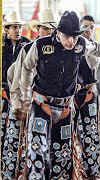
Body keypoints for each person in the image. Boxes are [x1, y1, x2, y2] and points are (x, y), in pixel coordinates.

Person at [13, 11, 100, 179]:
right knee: (37, 153)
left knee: (63, 156)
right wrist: (24, 98)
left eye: (75, 36)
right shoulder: (40, 46)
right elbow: (26, 68)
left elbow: (99, 49)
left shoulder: (81, 44)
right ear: (58, 32)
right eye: (67, 36)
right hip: (41, 106)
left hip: (65, 109)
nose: (71, 41)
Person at [5, 9, 57, 179]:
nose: (48, 32)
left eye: (51, 29)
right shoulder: (27, 49)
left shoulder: (59, 50)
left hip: (47, 106)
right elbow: (14, 75)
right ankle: (19, 173)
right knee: (21, 140)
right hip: (29, 103)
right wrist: (18, 103)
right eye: (45, 28)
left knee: (45, 144)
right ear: (38, 29)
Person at [1, 11, 31, 179]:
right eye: (14, 27)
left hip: (17, 94)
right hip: (3, 91)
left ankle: (16, 167)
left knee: (16, 131)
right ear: (7, 29)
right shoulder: (1, 45)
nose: (17, 30)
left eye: (19, 27)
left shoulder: (27, 45)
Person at [73, 15, 100, 179]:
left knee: (91, 134)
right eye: (85, 27)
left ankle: (93, 171)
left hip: (89, 94)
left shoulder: (94, 48)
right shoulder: (70, 44)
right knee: (70, 133)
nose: (88, 30)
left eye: (91, 27)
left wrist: (85, 45)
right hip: (71, 95)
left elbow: (93, 63)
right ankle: (74, 169)